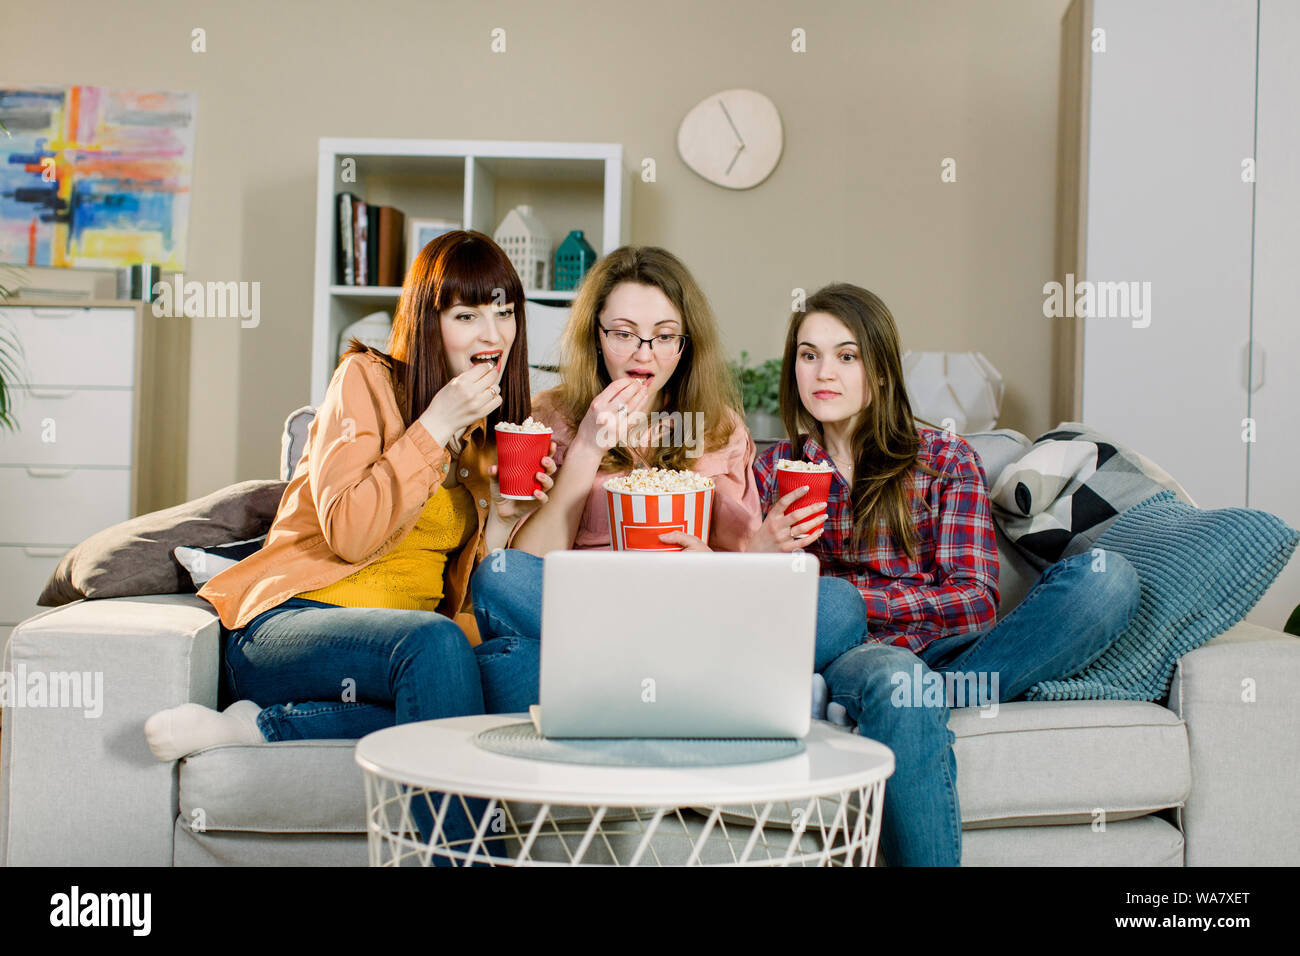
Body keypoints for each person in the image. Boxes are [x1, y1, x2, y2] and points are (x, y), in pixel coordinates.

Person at [142, 230, 558, 859]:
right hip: (290, 623)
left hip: (402, 651)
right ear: (429, 321)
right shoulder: (364, 380)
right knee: (435, 647)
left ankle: (263, 727)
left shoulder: (483, 442)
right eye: (466, 315)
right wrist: (433, 426)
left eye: (504, 313)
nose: (491, 335)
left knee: (523, 670)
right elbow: (349, 530)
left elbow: (458, 602)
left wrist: (501, 519)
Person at [750, 282, 1142, 866]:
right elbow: (779, 612)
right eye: (809, 354)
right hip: (866, 658)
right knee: (896, 678)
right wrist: (766, 552)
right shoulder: (770, 470)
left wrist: (849, 595)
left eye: (846, 355)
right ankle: (918, 700)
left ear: (879, 372)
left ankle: (942, 695)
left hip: (958, 650)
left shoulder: (944, 459)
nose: (822, 371)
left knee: (1109, 580)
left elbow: (976, 603)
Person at [469, 247, 864, 713]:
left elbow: (751, 580)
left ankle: (625, 684)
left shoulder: (719, 428)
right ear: (594, 336)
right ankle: (679, 684)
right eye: (623, 334)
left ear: (685, 343)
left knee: (840, 603)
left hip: (697, 614)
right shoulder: (548, 418)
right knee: (499, 580)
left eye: (663, 337)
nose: (644, 354)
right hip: (597, 613)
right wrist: (588, 447)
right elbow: (529, 565)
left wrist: (715, 569)